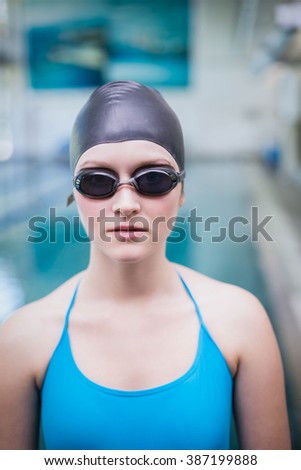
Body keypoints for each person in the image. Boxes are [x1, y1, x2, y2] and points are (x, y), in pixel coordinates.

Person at [0, 81, 291, 450]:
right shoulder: (24, 338)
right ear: (74, 194)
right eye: (97, 181)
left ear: (182, 192)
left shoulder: (239, 321)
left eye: (152, 179)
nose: (125, 203)